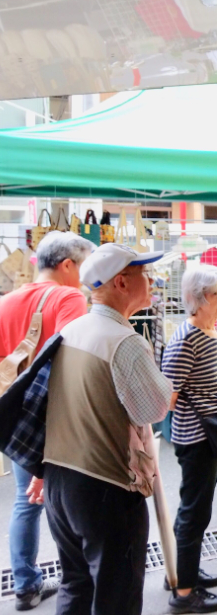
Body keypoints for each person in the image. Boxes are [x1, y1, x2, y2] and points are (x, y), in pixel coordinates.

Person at [43, 243, 172, 615]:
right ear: (120, 283)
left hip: (59, 479)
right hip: (107, 488)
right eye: (144, 274)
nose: (152, 281)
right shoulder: (124, 341)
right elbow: (153, 407)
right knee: (118, 595)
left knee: (76, 585)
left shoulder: (72, 329)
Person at [0, 232, 95, 611]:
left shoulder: (5, 302)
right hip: (52, 419)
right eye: (83, 266)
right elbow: (73, 361)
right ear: (68, 265)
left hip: (12, 418)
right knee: (64, 502)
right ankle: (77, 582)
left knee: (26, 504)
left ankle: (24, 584)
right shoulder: (68, 297)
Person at [162, 266, 217, 613]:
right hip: (196, 439)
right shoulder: (186, 340)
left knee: (198, 511)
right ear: (200, 297)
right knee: (194, 512)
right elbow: (167, 399)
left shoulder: (207, 331)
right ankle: (184, 593)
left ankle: (182, 572)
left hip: (208, 437)